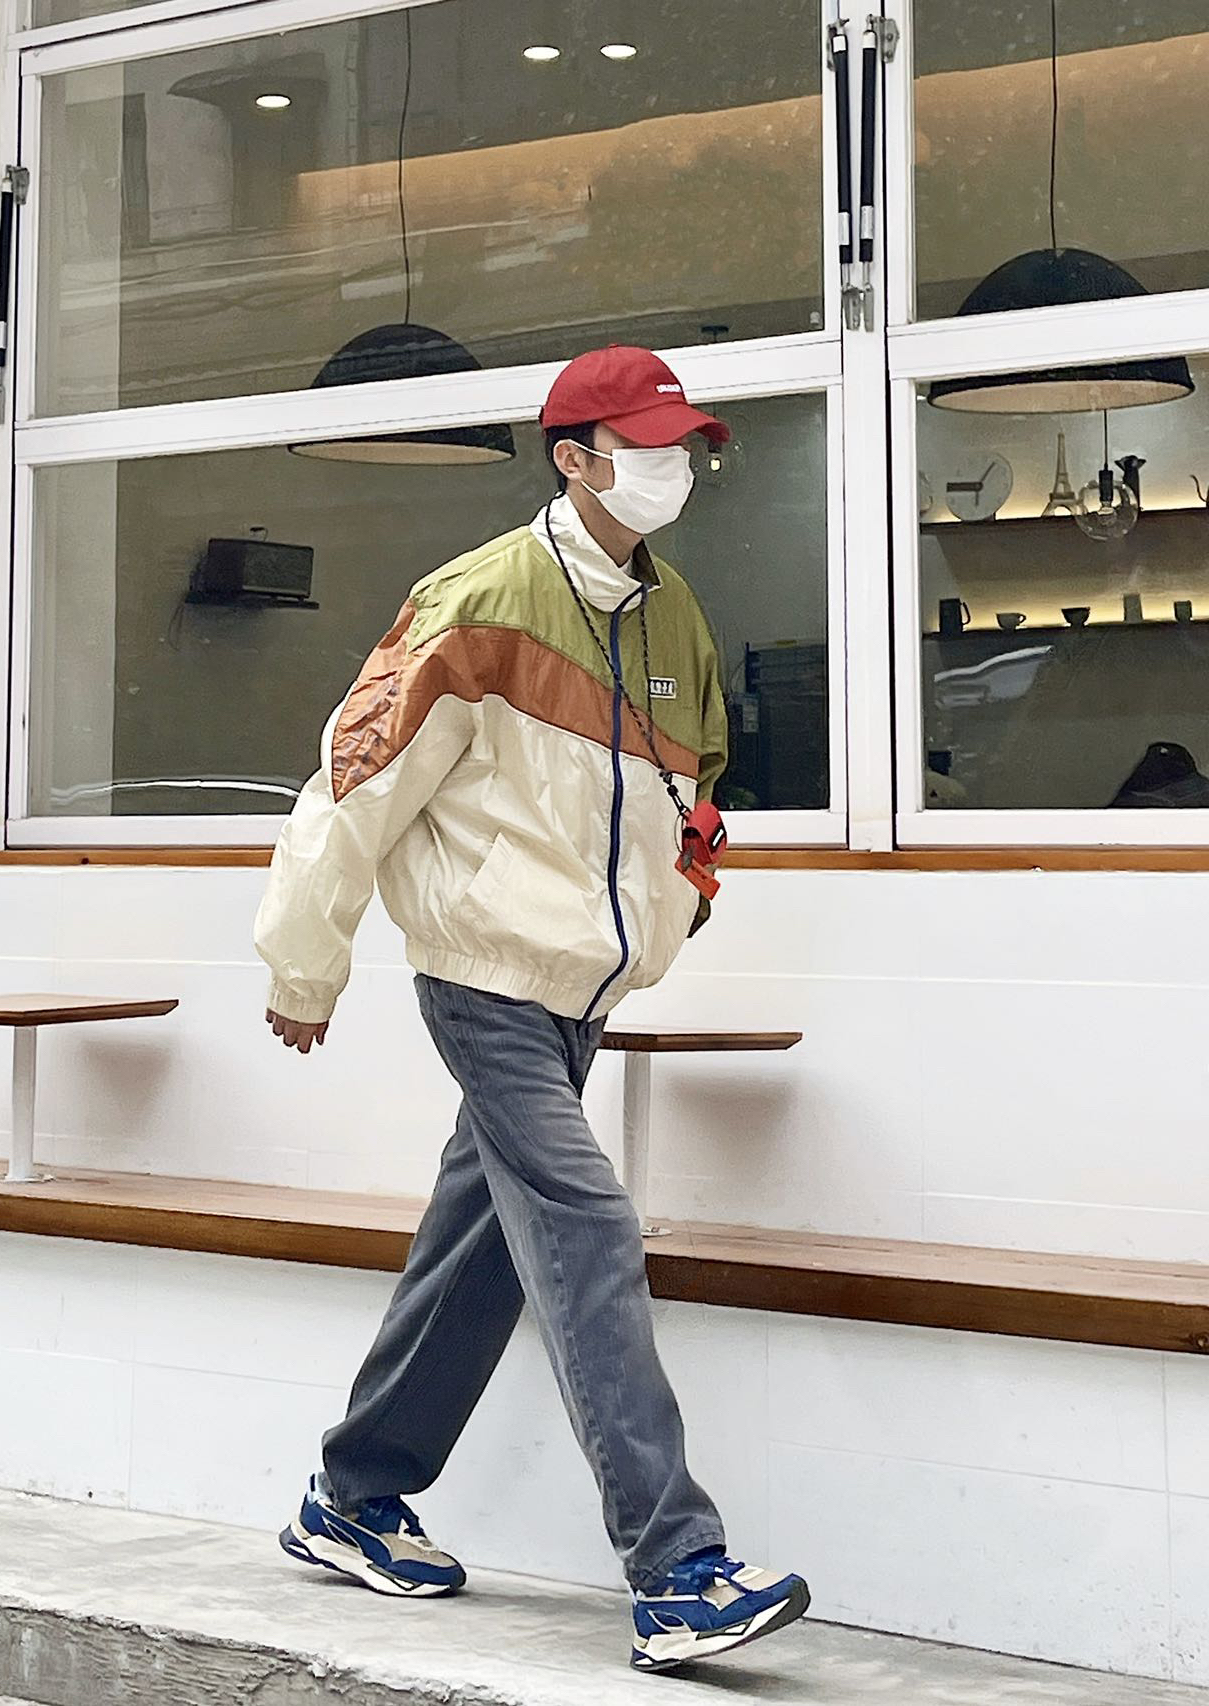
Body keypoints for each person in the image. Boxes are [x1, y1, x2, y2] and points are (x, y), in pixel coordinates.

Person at [254, 345, 809, 1673]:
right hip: (484, 976)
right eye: (650, 446)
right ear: (575, 458)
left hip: (583, 988)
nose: (677, 469)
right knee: (585, 1222)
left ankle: (354, 1495)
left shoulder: (673, 613)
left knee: (482, 1247)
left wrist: (683, 900)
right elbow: (356, 781)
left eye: (685, 447)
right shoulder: (477, 599)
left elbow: (695, 793)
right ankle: (677, 1569)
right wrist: (306, 962)